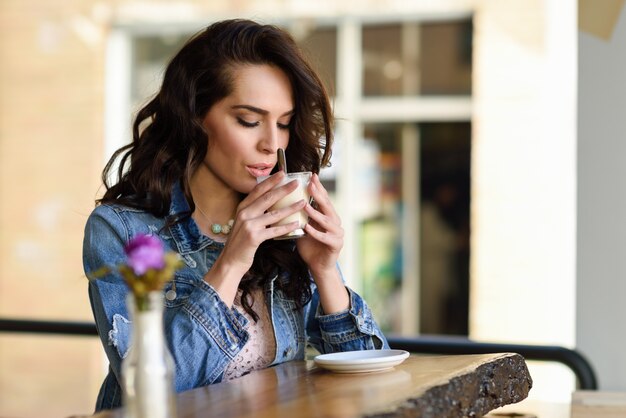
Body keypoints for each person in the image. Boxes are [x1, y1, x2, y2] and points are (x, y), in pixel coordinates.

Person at [83, 19, 388, 411]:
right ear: (195, 115)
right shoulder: (122, 231)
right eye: (248, 120)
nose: (272, 144)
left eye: (284, 123)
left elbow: (373, 383)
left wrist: (326, 270)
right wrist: (232, 261)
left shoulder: (286, 225)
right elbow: (151, 392)